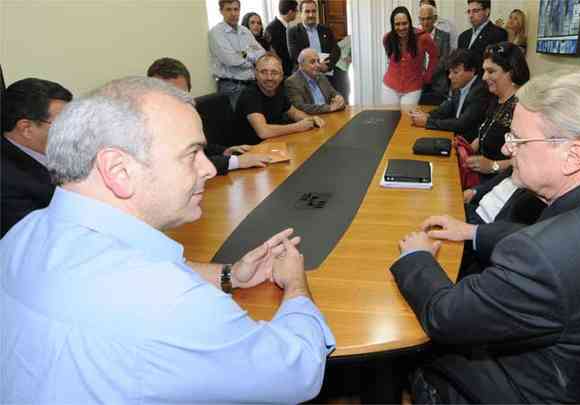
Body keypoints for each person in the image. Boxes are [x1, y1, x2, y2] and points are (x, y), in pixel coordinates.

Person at [0, 76, 335, 403]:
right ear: (118, 170)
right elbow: (297, 372)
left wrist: (230, 274)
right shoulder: (167, 300)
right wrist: (295, 286)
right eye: (192, 154)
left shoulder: (24, 232)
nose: (207, 169)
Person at [392, 67, 580, 403]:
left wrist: (417, 258)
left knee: (405, 351)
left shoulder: (542, 256)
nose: (509, 150)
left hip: (530, 389)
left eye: (519, 140)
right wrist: (474, 232)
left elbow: (445, 316)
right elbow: (556, 242)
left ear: (573, 155)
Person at [147, 57, 271, 174]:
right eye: (167, 95)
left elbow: (198, 148)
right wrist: (237, 162)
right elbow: (184, 165)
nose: (175, 101)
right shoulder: (147, 126)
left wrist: (225, 152)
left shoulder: (187, 114)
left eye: (181, 94)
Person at [1, 78, 72, 237]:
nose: (73, 130)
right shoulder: (6, 180)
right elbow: (39, 236)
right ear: (26, 128)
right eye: (63, 123)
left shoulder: (60, 148)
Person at [465, 41, 529, 182]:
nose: (484, 77)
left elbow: (525, 161)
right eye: (484, 71)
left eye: (491, 71)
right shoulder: (496, 99)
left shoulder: (523, 108)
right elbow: (485, 134)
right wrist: (464, 150)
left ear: (511, 73)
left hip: (501, 183)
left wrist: (494, 166)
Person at [233, 53, 324, 146]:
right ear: (256, 74)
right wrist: (298, 126)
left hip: (272, 144)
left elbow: (294, 113)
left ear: (281, 76)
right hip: (250, 151)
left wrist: (310, 119)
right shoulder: (250, 95)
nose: (269, 78)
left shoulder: (278, 89)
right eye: (263, 72)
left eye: (274, 73)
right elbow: (263, 132)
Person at [410, 49, 491, 141]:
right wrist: (427, 115)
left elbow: (462, 124)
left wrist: (427, 122)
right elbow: (446, 109)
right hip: (454, 137)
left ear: (472, 71)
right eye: (450, 72)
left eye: (455, 72)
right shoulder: (460, 85)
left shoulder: (480, 91)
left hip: (468, 144)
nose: (450, 76)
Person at [208, 0, 266, 108]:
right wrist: (252, 60)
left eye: (236, 9)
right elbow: (232, 60)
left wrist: (244, 54)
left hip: (252, 83)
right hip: (232, 87)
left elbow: (262, 53)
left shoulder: (245, 31)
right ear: (221, 11)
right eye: (228, 9)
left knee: (258, 118)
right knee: (239, 122)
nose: (233, 13)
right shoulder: (216, 32)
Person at [382, 6, 438, 109]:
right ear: (392, 25)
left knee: (406, 119)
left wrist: (427, 76)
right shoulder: (387, 38)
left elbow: (434, 56)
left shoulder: (423, 37)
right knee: (389, 117)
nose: (401, 27)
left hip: (413, 87)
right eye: (397, 24)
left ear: (410, 22)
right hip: (390, 86)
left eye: (404, 23)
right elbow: (390, 58)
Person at [287, 1, 343, 96]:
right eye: (307, 11)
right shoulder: (293, 32)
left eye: (313, 11)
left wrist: (327, 66)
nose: (311, 15)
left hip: (325, 73)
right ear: (301, 13)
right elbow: (295, 55)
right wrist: (315, 66)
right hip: (304, 76)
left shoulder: (325, 29)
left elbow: (336, 50)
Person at [285, 48, 345, 114]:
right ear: (301, 65)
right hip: (311, 119)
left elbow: (333, 93)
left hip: (329, 115)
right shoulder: (292, 82)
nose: (318, 65)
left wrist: (339, 98)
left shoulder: (321, 76)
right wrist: (329, 108)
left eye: (318, 61)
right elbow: (300, 107)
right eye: (312, 62)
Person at [418, 4, 454, 106]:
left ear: (435, 18)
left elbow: (445, 60)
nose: (425, 22)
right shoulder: (414, 37)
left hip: (439, 86)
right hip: (419, 86)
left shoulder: (444, 36)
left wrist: (428, 74)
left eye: (428, 18)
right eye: (422, 19)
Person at [265, 0, 299, 77]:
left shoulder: (289, 28)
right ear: (290, 12)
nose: (297, 14)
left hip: (290, 71)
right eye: (296, 11)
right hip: (281, 72)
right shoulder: (272, 28)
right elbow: (274, 53)